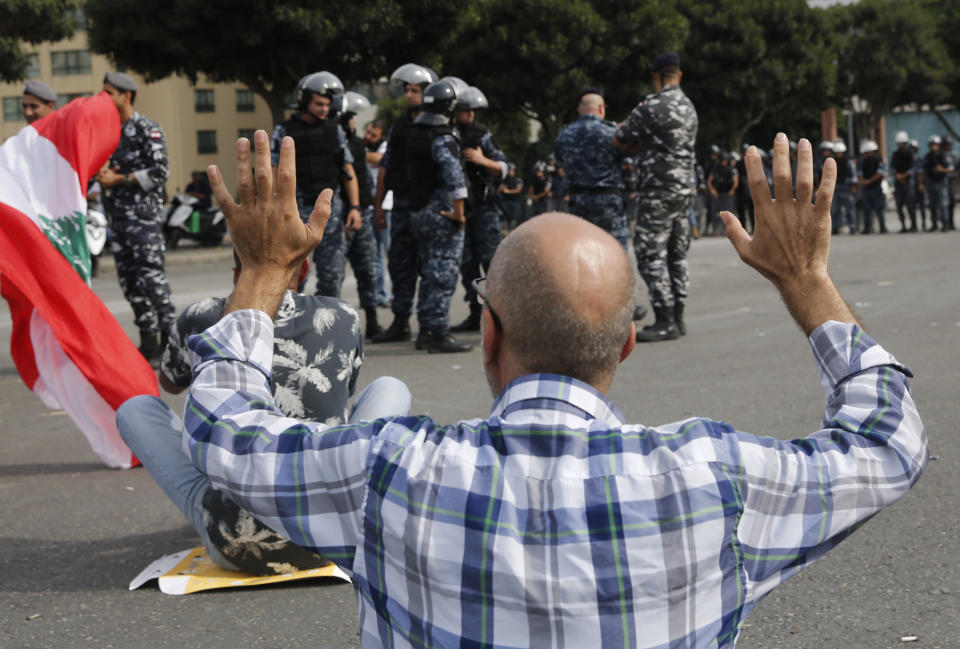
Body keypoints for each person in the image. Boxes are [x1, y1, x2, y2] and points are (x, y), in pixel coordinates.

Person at [191, 130, 926, 648]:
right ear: (627, 343)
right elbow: (888, 440)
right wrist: (807, 281)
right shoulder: (716, 478)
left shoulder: (391, 470)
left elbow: (223, 423)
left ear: (488, 334)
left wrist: (261, 273)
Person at [116, 249, 411, 575]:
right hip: (333, 537)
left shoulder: (201, 316)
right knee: (390, 387)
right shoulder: (342, 314)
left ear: (236, 273)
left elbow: (171, 384)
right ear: (304, 269)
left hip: (235, 544)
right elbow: (343, 389)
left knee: (137, 408)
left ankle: (225, 505)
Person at [373, 79, 472, 353]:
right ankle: (435, 331)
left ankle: (427, 330)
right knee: (442, 272)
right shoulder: (442, 134)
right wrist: (459, 212)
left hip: (416, 211)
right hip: (440, 212)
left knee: (429, 271)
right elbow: (453, 175)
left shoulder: (414, 132)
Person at [613, 53, 698, 342]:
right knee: (676, 254)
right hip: (684, 190)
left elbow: (620, 138)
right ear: (679, 75)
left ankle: (664, 319)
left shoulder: (652, 106)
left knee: (651, 254)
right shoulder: (689, 107)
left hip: (658, 190)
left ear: (655, 76)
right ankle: (678, 317)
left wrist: (641, 147)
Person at [96, 72, 175, 360]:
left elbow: (159, 173)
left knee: (152, 278)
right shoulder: (111, 131)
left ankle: (170, 341)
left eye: (109, 93)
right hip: (118, 218)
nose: (103, 98)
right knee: (129, 281)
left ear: (126, 95)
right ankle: (149, 340)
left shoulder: (147, 129)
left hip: (143, 219)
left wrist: (120, 180)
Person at [269, 71, 363, 295]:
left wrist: (356, 208)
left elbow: (348, 170)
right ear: (304, 102)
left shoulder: (335, 129)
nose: (324, 109)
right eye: (319, 104)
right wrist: (274, 207)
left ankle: (325, 323)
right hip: (296, 209)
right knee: (294, 274)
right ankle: (291, 323)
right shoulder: (284, 130)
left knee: (332, 274)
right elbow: (274, 171)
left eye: (327, 104)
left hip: (330, 210)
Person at [450, 85, 509, 333]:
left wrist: (482, 160)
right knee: (467, 265)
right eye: (465, 110)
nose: (470, 115)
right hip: (461, 210)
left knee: (492, 262)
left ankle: (502, 317)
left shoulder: (480, 135)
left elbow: (504, 167)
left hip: (484, 208)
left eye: (473, 110)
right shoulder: (444, 134)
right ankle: (476, 315)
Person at [331, 91, 383, 339]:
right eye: (350, 117)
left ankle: (372, 320)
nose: (354, 122)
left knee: (367, 270)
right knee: (335, 274)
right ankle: (332, 326)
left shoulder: (357, 144)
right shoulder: (333, 143)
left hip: (361, 213)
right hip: (341, 216)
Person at [553, 88, 628, 249]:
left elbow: (559, 159)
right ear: (601, 108)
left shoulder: (565, 134)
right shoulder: (613, 132)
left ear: (580, 109)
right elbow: (628, 160)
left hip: (577, 203)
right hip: (607, 203)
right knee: (616, 253)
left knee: (582, 252)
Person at [363, 118, 390, 306]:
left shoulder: (386, 146)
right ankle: (380, 295)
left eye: (374, 135)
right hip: (370, 207)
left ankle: (397, 296)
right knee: (375, 255)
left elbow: (381, 159)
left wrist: (358, 154)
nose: (369, 137)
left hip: (387, 206)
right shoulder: (363, 147)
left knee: (392, 252)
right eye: (368, 133)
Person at [919, 134, 952, 232]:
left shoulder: (943, 155)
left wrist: (942, 169)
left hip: (941, 182)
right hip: (930, 182)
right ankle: (934, 224)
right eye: (932, 144)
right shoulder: (928, 157)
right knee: (932, 204)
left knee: (943, 204)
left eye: (935, 144)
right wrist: (921, 183)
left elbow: (951, 168)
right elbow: (922, 171)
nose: (933, 146)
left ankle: (945, 224)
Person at [890, 131, 917, 233]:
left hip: (908, 182)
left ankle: (913, 225)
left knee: (910, 205)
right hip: (898, 182)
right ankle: (903, 226)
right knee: (899, 205)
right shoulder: (895, 154)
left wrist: (903, 175)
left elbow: (912, 168)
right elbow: (892, 167)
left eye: (902, 143)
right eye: (899, 143)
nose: (900, 145)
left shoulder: (910, 154)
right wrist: (897, 175)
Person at [857, 139, 887, 234]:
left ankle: (882, 227)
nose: (864, 155)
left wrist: (868, 181)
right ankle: (867, 228)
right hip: (866, 189)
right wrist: (862, 181)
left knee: (879, 208)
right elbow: (859, 172)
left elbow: (880, 173)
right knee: (866, 209)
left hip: (876, 188)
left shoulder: (878, 160)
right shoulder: (862, 162)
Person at [831, 140, 857, 234]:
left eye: (840, 153)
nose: (838, 155)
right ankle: (835, 227)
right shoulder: (833, 162)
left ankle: (852, 226)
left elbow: (853, 176)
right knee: (835, 209)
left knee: (850, 208)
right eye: (836, 153)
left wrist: (853, 187)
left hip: (846, 187)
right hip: (836, 187)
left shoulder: (848, 162)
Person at [498, 163, 523, 229]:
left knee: (516, 218)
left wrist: (508, 191)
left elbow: (518, 190)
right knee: (507, 218)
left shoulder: (518, 180)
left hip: (515, 201)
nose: (510, 172)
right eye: (509, 171)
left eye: (512, 171)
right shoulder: (505, 180)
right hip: (506, 201)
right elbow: (500, 189)